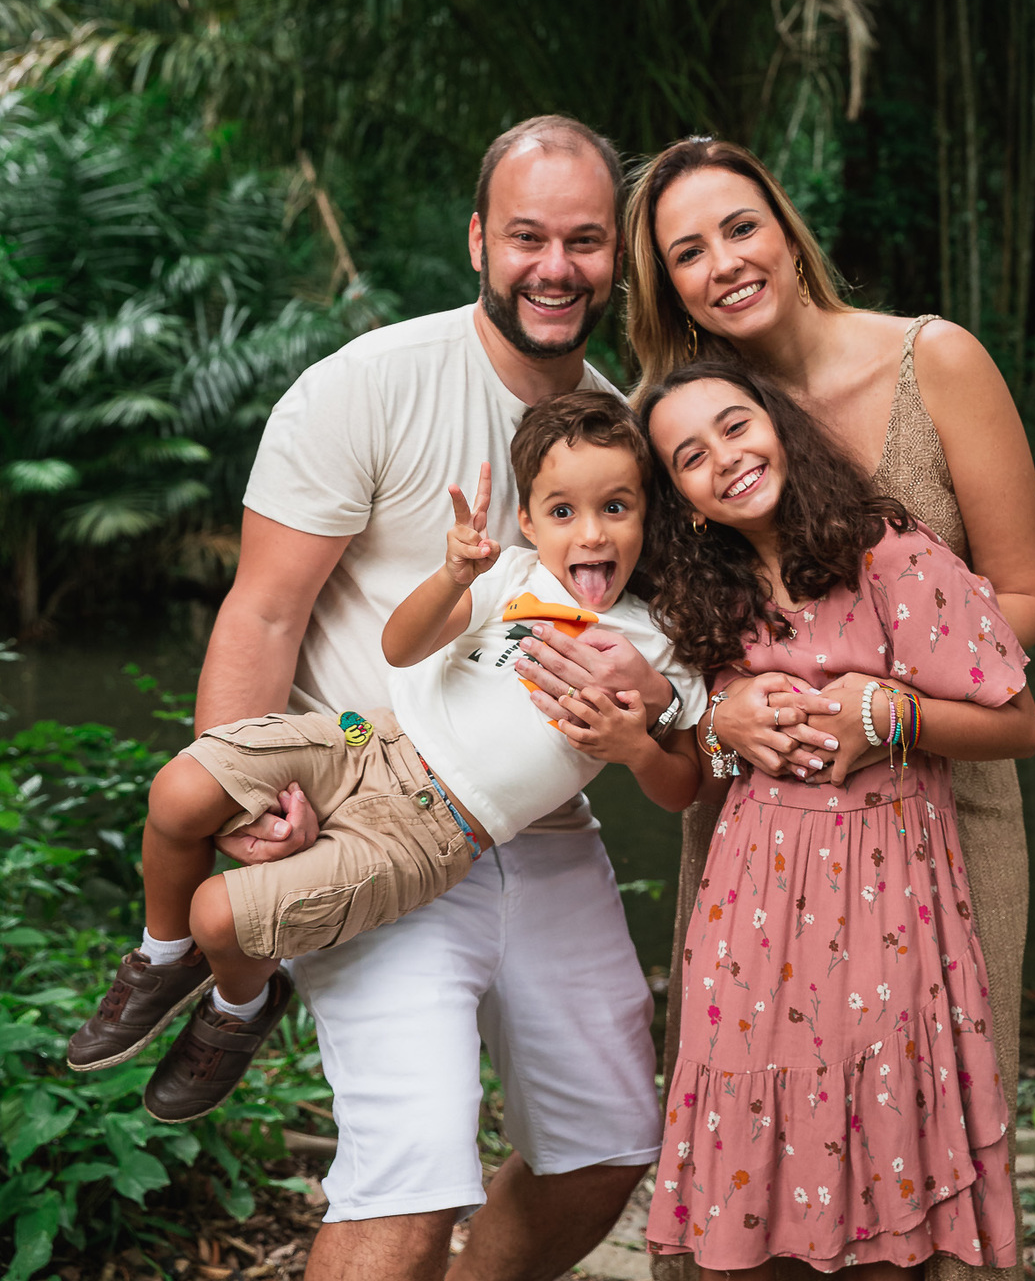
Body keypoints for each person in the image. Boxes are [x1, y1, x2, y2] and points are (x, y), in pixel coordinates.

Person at [533, 137, 1035, 1281]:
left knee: (935, 1106)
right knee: (758, 1127)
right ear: (663, 284)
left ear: (785, 225)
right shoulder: (682, 429)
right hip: (759, 838)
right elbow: (666, 645)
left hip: (939, 802)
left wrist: (882, 702)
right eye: (685, 252)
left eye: (738, 226)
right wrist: (716, 725)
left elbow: (1018, 604)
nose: (722, 262)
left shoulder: (934, 363)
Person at [173, 116, 682, 1281]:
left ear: (618, 258)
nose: (557, 267)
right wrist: (244, 804)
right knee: (409, 1181)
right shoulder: (368, 385)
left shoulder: (623, 439)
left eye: (587, 240)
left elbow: (669, 650)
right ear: (477, 242)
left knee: (603, 1150)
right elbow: (261, 615)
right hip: (378, 813)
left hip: (545, 831)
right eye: (528, 237)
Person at [66, 393, 706, 1124]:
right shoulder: (512, 578)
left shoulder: (661, 644)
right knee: (180, 790)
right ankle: (160, 951)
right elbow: (399, 647)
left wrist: (633, 747)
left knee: (221, 912)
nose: (590, 533)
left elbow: (681, 788)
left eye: (616, 507)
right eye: (563, 512)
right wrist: (454, 576)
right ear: (528, 521)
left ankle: (238, 1004)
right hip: (368, 740)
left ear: (649, 513)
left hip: (435, 830)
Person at [638, 363, 1035, 1277]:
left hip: (886, 895)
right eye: (691, 457)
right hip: (749, 904)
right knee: (748, 1154)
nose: (727, 459)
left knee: (879, 1132)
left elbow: (1020, 724)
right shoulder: (710, 593)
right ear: (685, 502)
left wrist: (888, 715)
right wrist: (718, 724)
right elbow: (696, 774)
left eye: (737, 426)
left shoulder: (889, 554)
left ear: (779, 424)